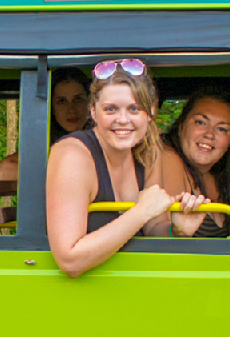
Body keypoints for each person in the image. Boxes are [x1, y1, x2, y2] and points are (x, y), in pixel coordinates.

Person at [45, 59, 207, 277]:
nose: (123, 120)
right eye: (110, 109)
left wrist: (176, 231)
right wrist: (139, 212)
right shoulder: (72, 155)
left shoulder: (149, 152)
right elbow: (69, 260)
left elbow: (153, 228)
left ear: (149, 112)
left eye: (134, 109)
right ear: (93, 111)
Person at [0, 67, 91, 189]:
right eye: (61, 101)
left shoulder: (105, 139)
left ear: (90, 104)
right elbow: (3, 173)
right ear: (51, 108)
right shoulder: (44, 142)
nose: (71, 109)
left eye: (78, 100)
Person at [158, 88, 230, 238]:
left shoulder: (217, 174)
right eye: (200, 122)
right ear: (181, 125)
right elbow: (163, 239)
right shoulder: (169, 158)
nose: (209, 134)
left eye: (222, 129)